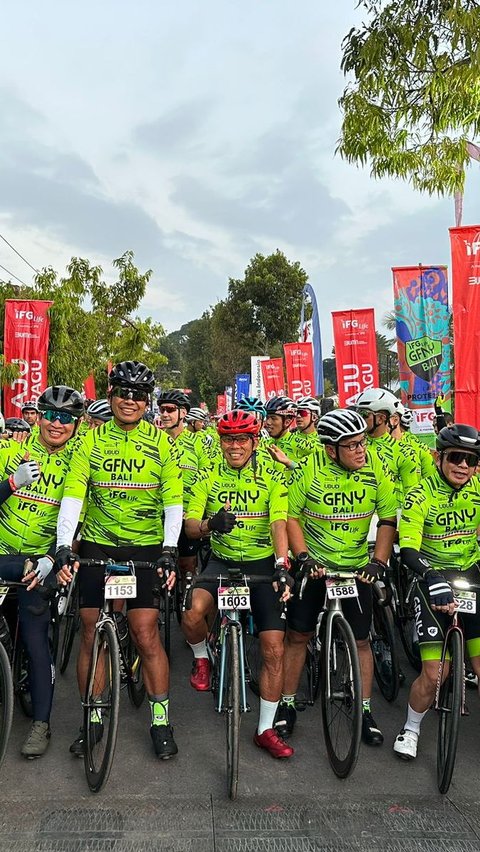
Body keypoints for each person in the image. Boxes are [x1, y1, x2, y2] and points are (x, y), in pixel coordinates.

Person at [55, 361, 183, 760]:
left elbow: (173, 501)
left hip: (145, 547)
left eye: (138, 395)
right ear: (110, 397)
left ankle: (160, 720)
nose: (130, 400)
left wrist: (169, 550)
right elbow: (73, 498)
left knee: (145, 633)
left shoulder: (161, 444)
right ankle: (91, 719)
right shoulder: (90, 443)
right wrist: (63, 545)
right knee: (91, 632)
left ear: (148, 402)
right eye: (123, 393)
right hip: (98, 545)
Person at [276, 409, 397, 746]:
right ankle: (287, 704)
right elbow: (291, 517)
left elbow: (387, 519)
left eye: (362, 442)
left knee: (361, 642)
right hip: (316, 566)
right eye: (352, 445)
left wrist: (379, 562)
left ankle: (366, 708)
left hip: (357, 568)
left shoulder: (375, 471)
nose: (361, 450)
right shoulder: (310, 471)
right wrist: (303, 557)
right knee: (297, 637)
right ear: (331, 450)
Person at [182, 409, 295, 759]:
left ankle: (265, 729)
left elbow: (278, 521)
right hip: (222, 562)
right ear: (220, 442)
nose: (234, 446)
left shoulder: (272, 475)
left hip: (261, 564)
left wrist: (281, 563)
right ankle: (203, 657)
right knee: (191, 614)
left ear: (254, 441)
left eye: (241, 439)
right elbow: (189, 525)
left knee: (274, 648)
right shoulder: (208, 475)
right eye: (228, 439)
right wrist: (209, 525)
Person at [0, 385, 83, 757]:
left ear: (76, 424)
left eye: (66, 418)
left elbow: (78, 525)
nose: (56, 423)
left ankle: (41, 725)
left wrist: (54, 559)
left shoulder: (78, 465)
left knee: (36, 642)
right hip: (2, 555)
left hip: (40, 564)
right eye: (50, 414)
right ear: (38, 415)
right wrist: (11, 483)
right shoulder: (9, 452)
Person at [393, 424, 480, 760]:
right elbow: (408, 549)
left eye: (470, 461)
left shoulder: (476, 488)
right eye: (456, 457)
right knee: (434, 675)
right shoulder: (420, 494)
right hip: (431, 578)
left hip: (471, 575)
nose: (462, 466)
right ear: (439, 457)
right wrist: (430, 575)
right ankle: (411, 728)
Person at [158, 389, 201, 578]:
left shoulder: (199, 443)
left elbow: (205, 479)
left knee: (186, 565)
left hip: (187, 512)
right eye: (162, 409)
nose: (165, 414)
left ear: (183, 413)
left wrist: (194, 511)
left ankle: (185, 599)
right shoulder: (156, 440)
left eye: (170, 409)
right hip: (159, 513)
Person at [354, 388, 417, 508]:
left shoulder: (404, 452)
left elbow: (412, 495)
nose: (359, 419)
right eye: (357, 413)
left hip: (392, 518)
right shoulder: (353, 447)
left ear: (381, 418)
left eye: (364, 414)